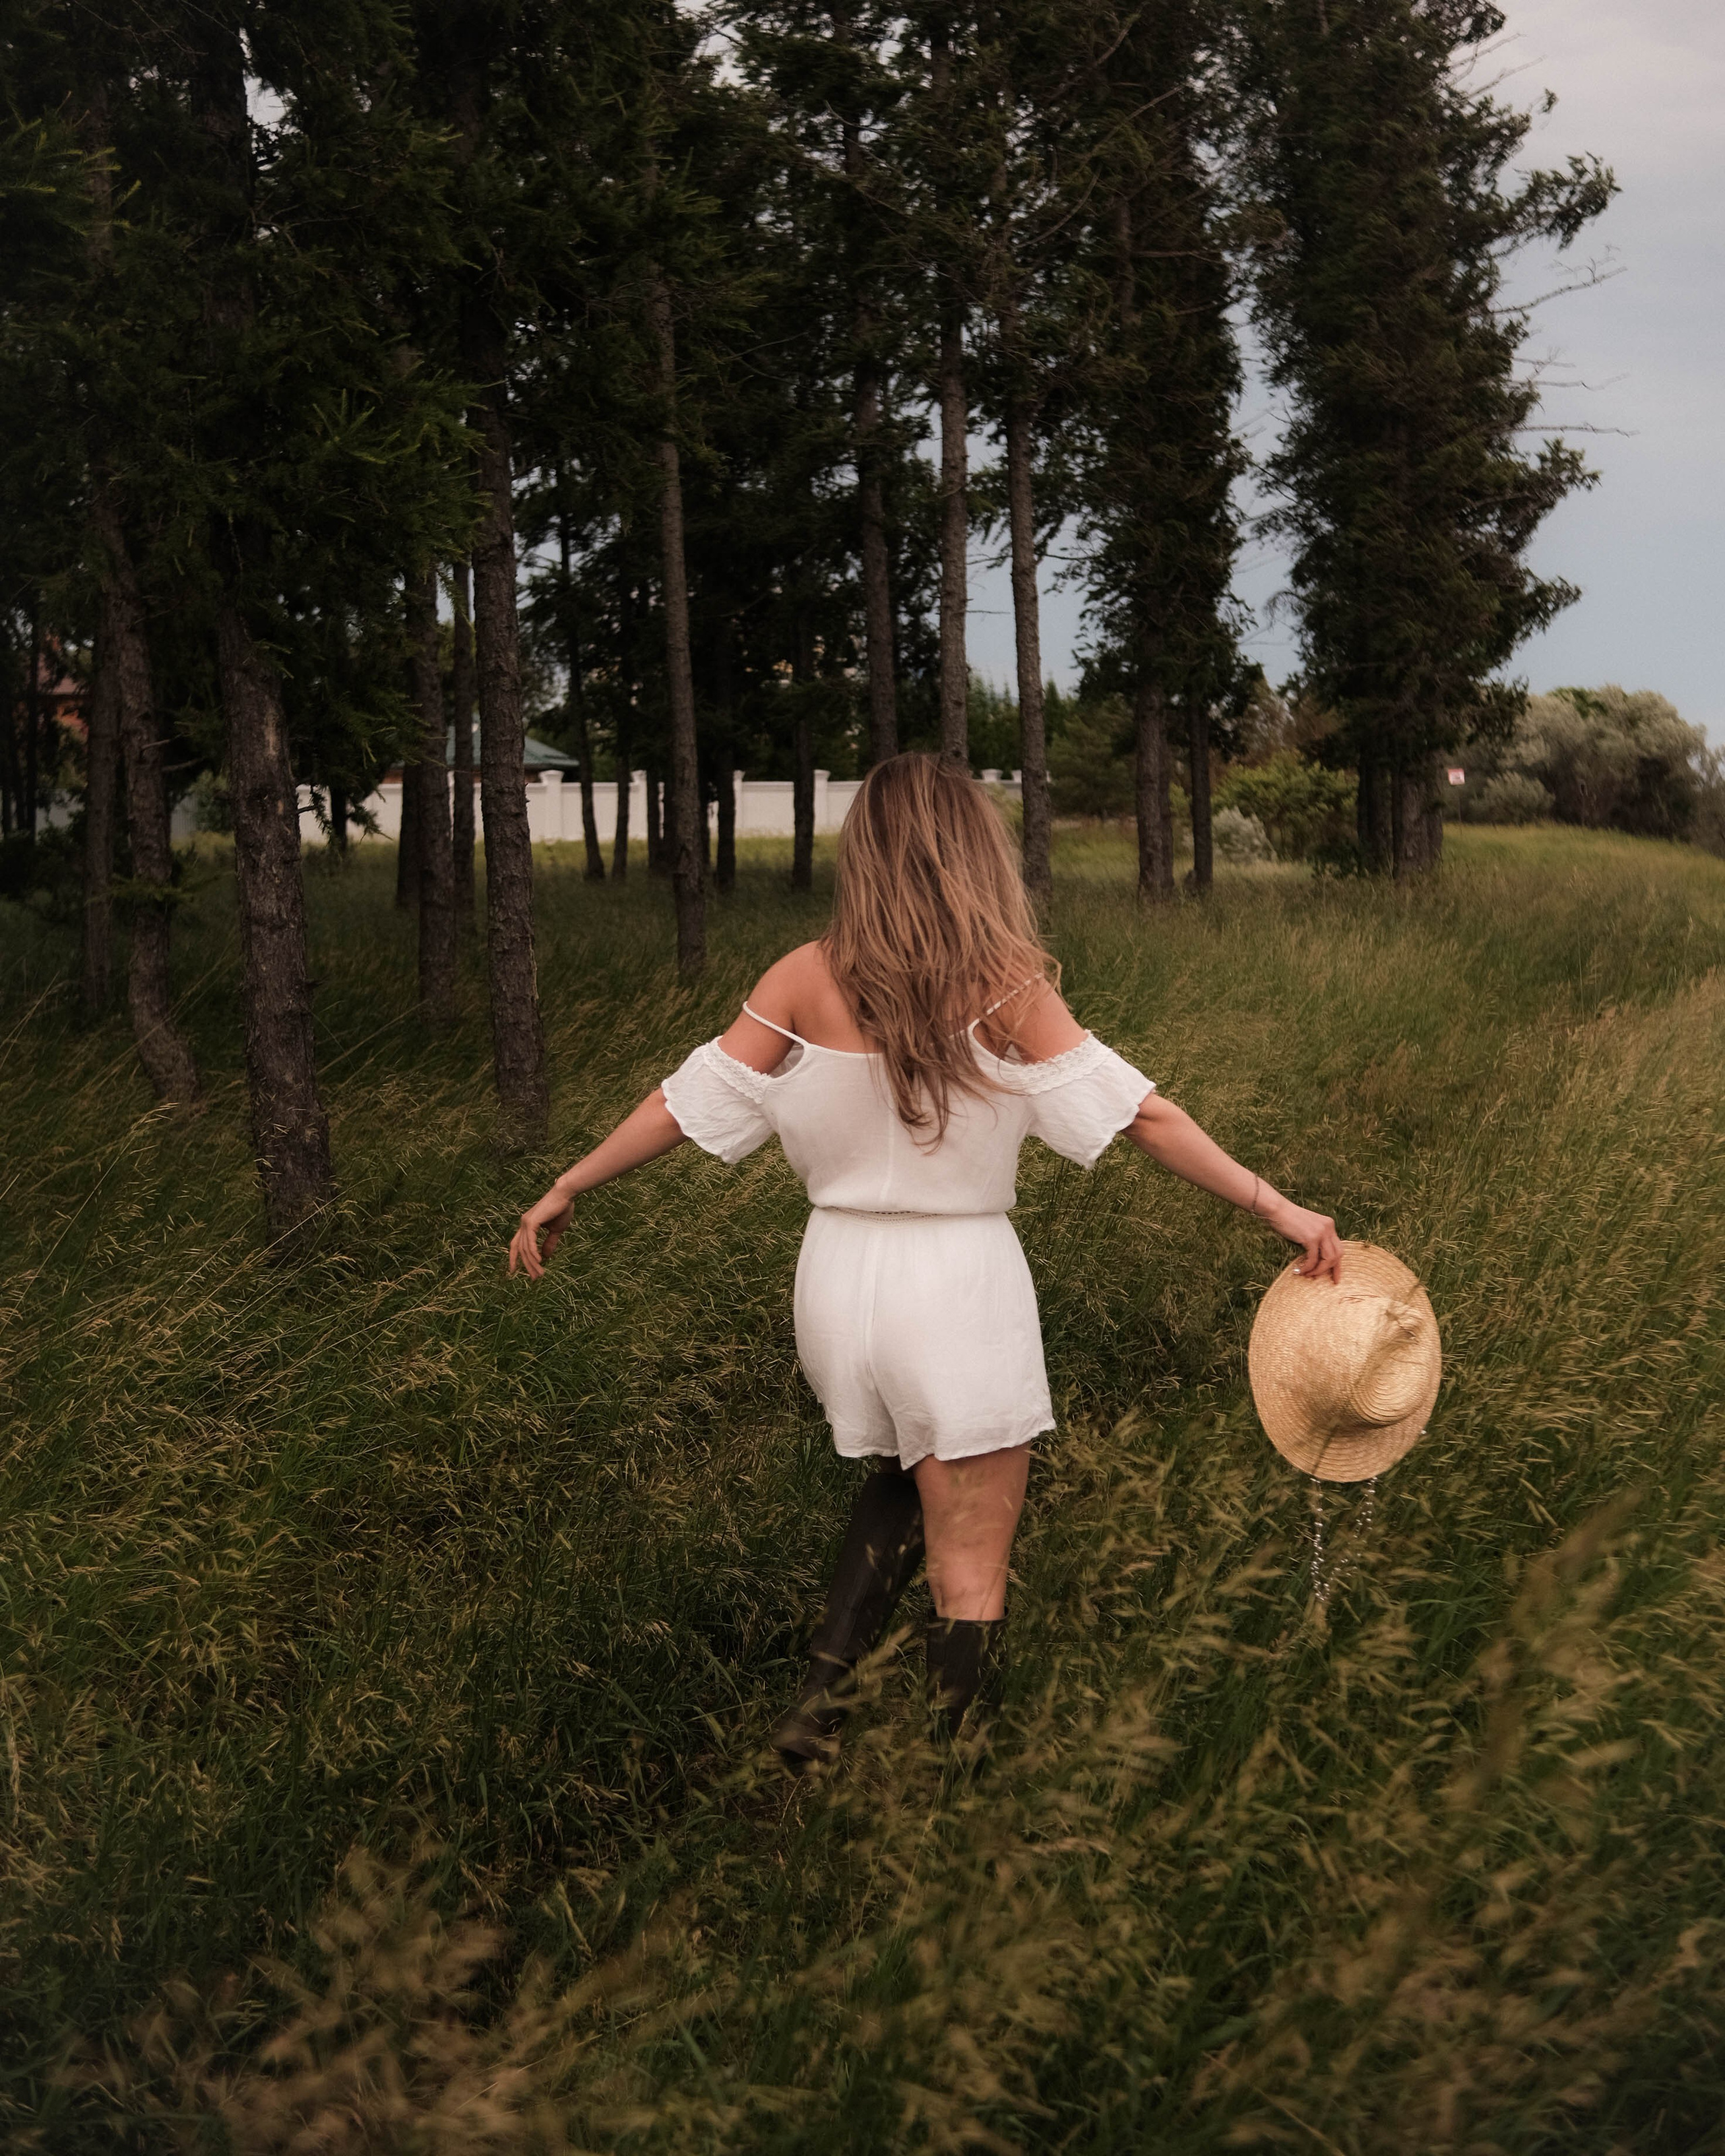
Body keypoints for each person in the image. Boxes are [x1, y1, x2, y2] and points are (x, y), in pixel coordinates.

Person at [509, 755, 1341, 1767]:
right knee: (972, 1561)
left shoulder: (800, 976)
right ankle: (956, 1788)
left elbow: (682, 1105)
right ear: (970, 853)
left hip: (838, 1283)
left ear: (867, 852)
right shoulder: (1004, 986)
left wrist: (570, 1183)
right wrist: (1276, 1206)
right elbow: (1140, 1115)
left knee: (908, 1476)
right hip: (954, 1283)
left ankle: (817, 1710)